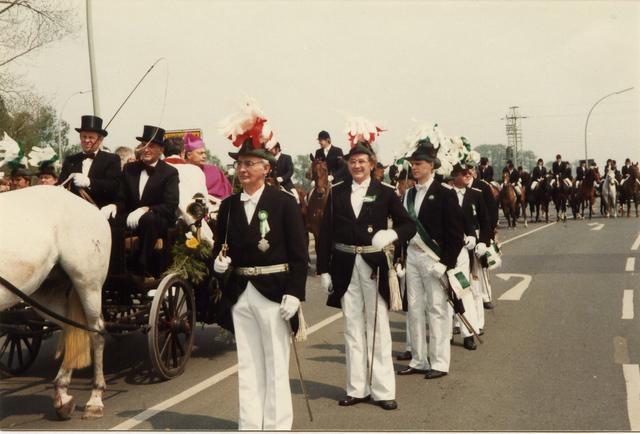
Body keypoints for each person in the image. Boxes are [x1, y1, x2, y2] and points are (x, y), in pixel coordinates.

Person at [212, 134, 308, 430]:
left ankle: (277, 426)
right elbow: (220, 246)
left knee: (276, 365)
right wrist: (218, 264)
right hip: (241, 292)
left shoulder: (283, 203)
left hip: (273, 292)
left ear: (266, 168)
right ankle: (250, 424)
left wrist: (294, 293)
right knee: (248, 364)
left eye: (249, 164)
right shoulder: (228, 206)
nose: (242, 170)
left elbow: (299, 253)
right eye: (239, 164)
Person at [316, 139, 415, 410]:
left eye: (362, 161)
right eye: (353, 161)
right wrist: (323, 270)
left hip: (374, 266)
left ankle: (383, 390)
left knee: (378, 328)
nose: (357, 166)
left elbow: (409, 225)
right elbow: (324, 233)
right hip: (344, 265)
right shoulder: (336, 192)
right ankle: (356, 388)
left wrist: (392, 233)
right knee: (352, 329)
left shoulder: (384, 192)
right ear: (348, 165)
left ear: (371, 164)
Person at [394, 140, 464, 380]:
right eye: (412, 164)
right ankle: (418, 359)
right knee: (413, 309)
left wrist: (446, 262)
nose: (414, 167)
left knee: (437, 309)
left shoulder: (445, 193)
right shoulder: (409, 194)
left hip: (434, 257)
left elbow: (456, 233)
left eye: (419, 163)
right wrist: (399, 257)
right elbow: (403, 227)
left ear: (432, 166)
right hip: (412, 255)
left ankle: (440, 362)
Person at [115, 125, 179, 278]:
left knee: (149, 219)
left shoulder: (170, 172)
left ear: (161, 150)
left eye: (152, 146)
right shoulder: (129, 169)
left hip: (156, 220)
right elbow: (121, 198)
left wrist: (146, 209)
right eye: (144, 145)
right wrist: (113, 206)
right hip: (131, 220)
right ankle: (115, 269)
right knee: (111, 219)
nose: (146, 149)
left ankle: (142, 267)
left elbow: (171, 204)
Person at [451, 162, 490, 347]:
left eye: (469, 172)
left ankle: (473, 327)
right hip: (450, 248)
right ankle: (451, 328)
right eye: (463, 173)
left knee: (470, 288)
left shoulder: (476, 194)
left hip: (471, 248)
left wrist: (482, 241)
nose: (468, 175)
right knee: (449, 292)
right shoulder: (446, 194)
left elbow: (485, 221)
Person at [58, 115, 121, 208]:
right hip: (74, 210)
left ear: (100, 140)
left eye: (91, 137)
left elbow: (114, 185)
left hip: (100, 211)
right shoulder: (70, 160)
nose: (87, 140)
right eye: (84, 137)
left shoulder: (112, 159)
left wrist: (90, 182)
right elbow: (61, 184)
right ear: (80, 137)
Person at [468, 162, 499, 310]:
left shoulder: (483, 186)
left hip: (481, 231)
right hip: (466, 234)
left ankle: (486, 296)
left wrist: (490, 234)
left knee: (482, 266)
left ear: (474, 171)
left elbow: (492, 211)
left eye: (470, 169)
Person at [184, 134, 232, 200]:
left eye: (204, 153)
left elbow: (227, 191)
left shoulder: (214, 171)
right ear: (189, 155)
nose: (204, 156)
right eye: (200, 153)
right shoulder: (181, 172)